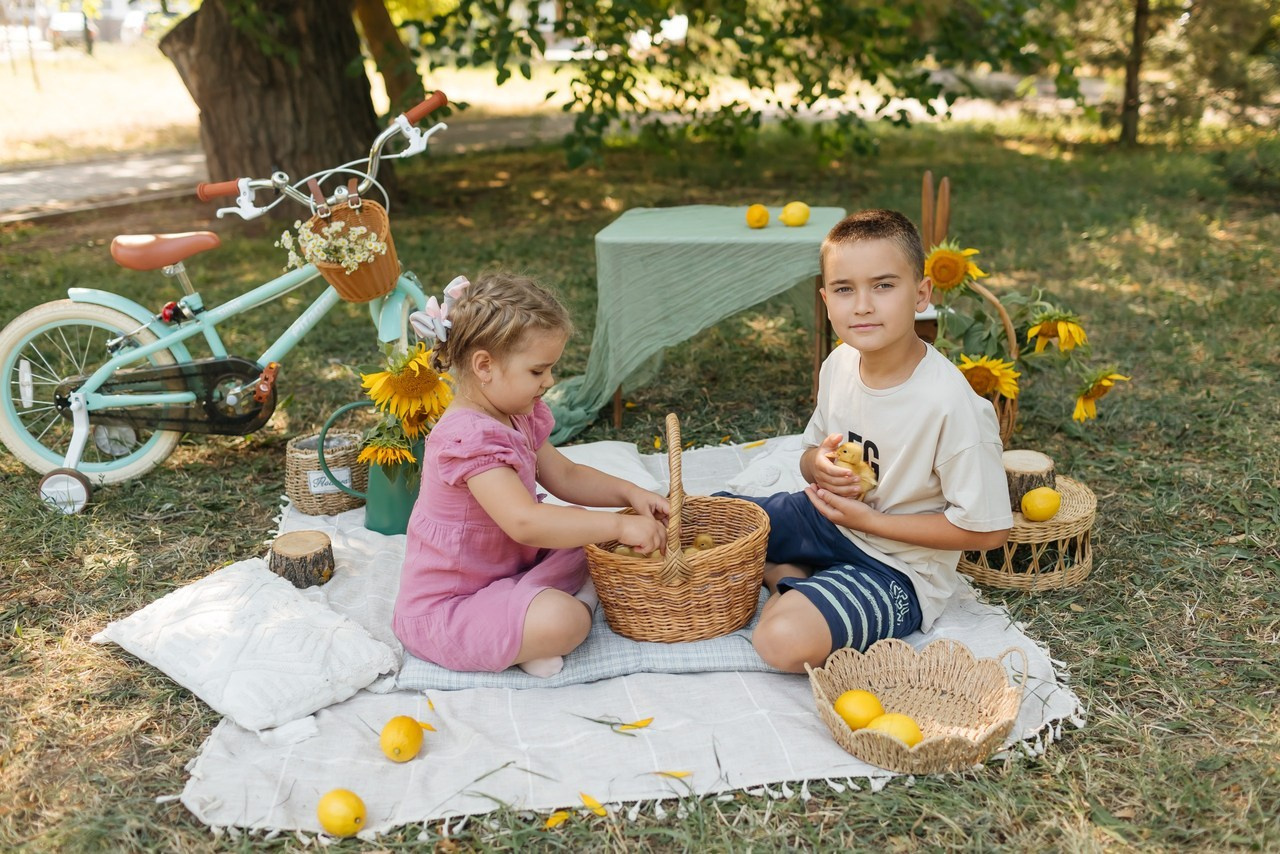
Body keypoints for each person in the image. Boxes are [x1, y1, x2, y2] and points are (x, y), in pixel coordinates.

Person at [726, 209, 1012, 673]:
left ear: (921, 294)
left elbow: (988, 530)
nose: (862, 305)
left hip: (897, 566)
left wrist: (870, 521)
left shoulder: (951, 405)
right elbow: (810, 452)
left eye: (883, 285)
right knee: (710, 518)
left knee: (779, 640)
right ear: (826, 299)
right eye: (844, 289)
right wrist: (816, 465)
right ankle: (795, 575)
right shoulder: (839, 365)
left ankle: (786, 578)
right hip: (828, 520)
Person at [394, 271, 669, 678]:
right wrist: (616, 525)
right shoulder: (467, 437)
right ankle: (533, 629)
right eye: (538, 372)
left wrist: (629, 495)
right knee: (566, 619)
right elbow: (524, 522)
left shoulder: (514, 413)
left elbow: (566, 475)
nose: (550, 382)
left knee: (592, 541)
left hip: (510, 567)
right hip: (453, 604)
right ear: (484, 366)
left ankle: (528, 616)